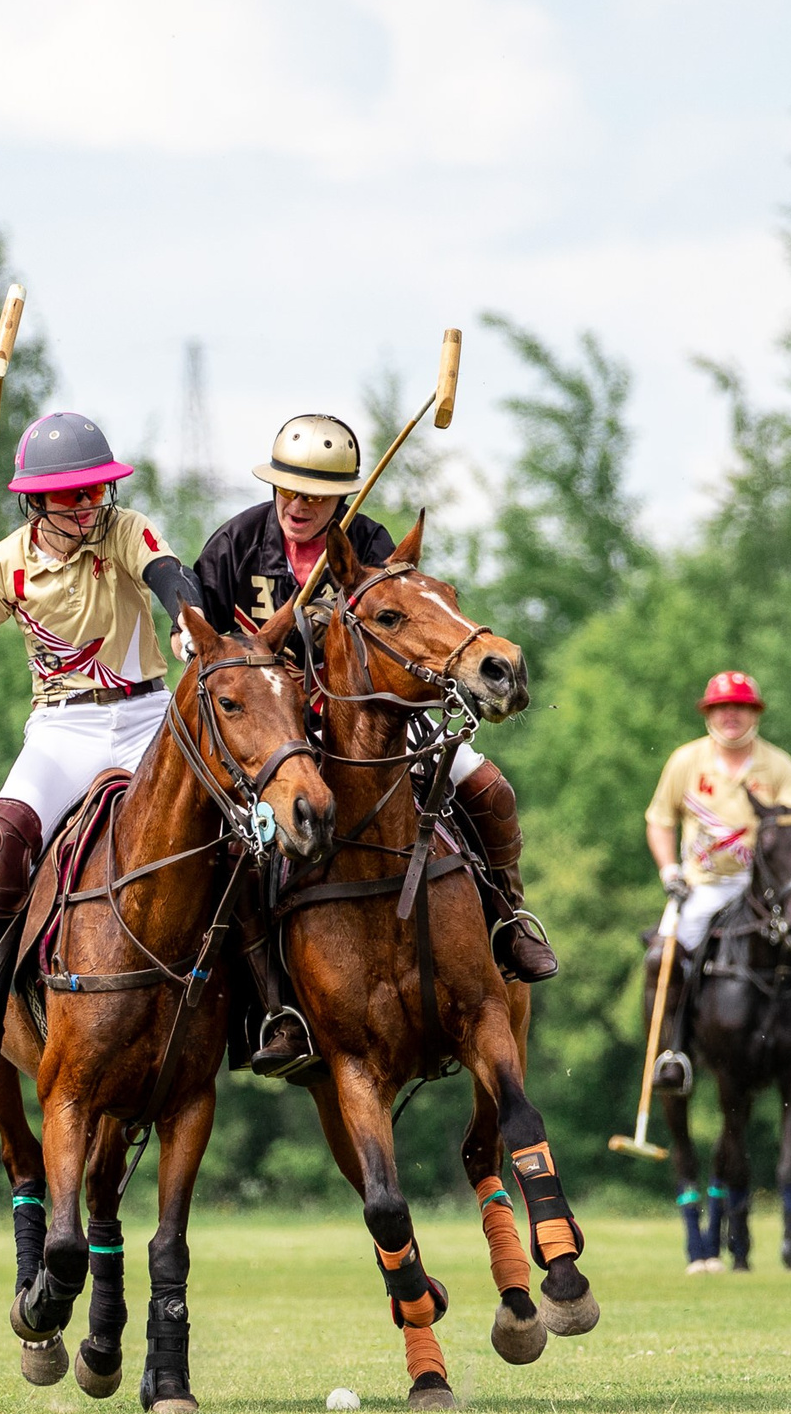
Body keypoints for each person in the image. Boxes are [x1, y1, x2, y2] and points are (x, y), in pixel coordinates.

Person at [195, 413, 557, 1080]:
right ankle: (269, 1004)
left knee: (487, 787)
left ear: (341, 498)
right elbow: (209, 646)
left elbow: (404, 619)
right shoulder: (235, 544)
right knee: (240, 846)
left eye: (315, 496)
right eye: (288, 491)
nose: (298, 507)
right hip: (279, 728)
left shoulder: (367, 540)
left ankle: (508, 916)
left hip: (370, 721)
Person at [0, 411, 207, 1087]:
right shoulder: (4, 564)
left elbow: (169, 577)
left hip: (148, 718)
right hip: (62, 729)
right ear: (39, 500)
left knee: (228, 823)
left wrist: (188, 621)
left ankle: (262, 1002)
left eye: (99, 490)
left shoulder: (124, 532)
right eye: (76, 494)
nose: (92, 504)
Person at [642, 671, 791, 1089]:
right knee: (662, 958)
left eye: (740, 707)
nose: (731, 715)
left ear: (754, 713)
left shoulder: (777, 764)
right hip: (703, 885)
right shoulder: (686, 761)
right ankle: (674, 1053)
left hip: (769, 889)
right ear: (709, 712)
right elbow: (659, 820)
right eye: (722, 707)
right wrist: (669, 870)